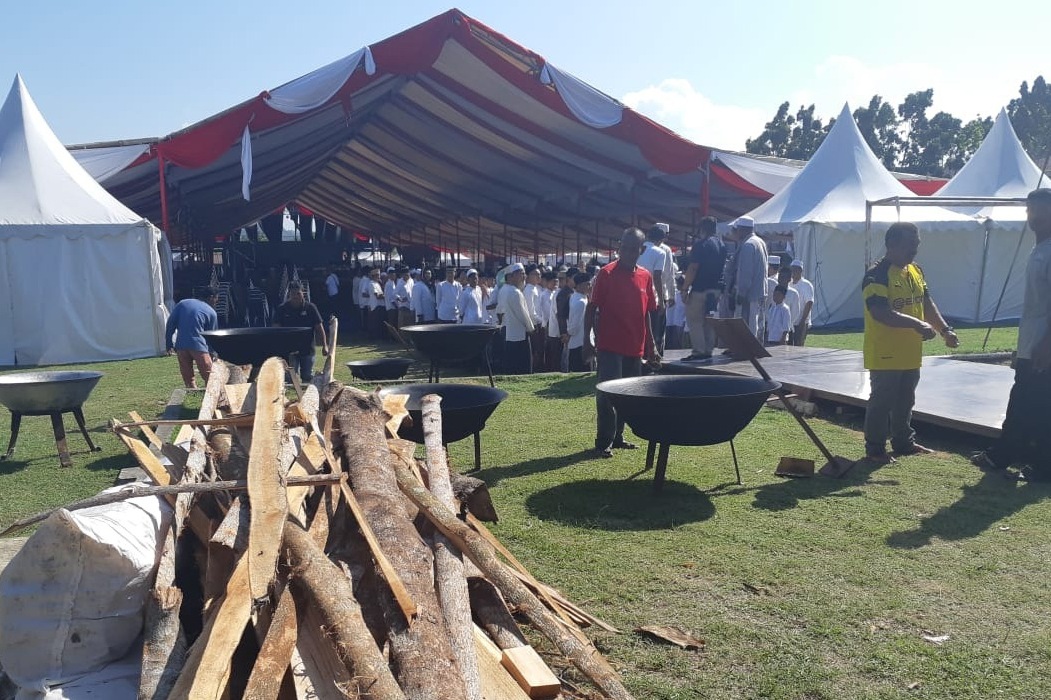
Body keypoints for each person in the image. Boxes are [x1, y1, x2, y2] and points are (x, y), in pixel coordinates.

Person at [971, 188, 1051, 481]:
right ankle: (1010, 457)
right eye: (1031, 211)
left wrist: (1046, 344)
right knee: (1025, 401)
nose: (1035, 217)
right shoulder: (1038, 248)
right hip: (1031, 343)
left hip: (1043, 346)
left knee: (1034, 405)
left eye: (1042, 211)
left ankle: (1030, 463)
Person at [862, 222, 958, 463]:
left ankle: (904, 442)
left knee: (906, 399)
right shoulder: (876, 274)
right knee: (881, 402)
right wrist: (917, 325)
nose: (915, 249)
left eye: (917, 244)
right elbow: (880, 313)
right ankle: (875, 449)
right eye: (910, 244)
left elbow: (926, 303)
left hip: (910, 352)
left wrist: (944, 329)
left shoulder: (916, 270)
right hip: (885, 353)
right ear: (892, 244)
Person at [585, 228, 660, 459]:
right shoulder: (606, 274)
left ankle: (618, 437)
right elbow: (591, 308)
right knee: (607, 395)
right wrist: (587, 341)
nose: (627, 252)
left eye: (633, 249)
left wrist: (652, 344)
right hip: (610, 346)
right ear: (619, 247)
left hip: (634, 347)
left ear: (642, 250)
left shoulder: (645, 276)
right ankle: (603, 441)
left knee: (627, 395)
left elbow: (647, 312)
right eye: (624, 247)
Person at [682, 216, 726, 359]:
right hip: (716, 289)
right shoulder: (722, 245)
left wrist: (685, 288)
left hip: (700, 288)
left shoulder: (701, 245)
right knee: (709, 320)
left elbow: (693, 268)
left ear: (702, 229)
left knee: (694, 320)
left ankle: (698, 351)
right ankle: (708, 349)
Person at [274, 281, 329, 383]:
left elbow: (319, 327)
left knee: (307, 376)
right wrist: (278, 347)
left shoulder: (310, 308)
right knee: (290, 378)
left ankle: (306, 395)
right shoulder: (282, 309)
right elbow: (276, 329)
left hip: (307, 349)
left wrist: (325, 345)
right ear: (289, 294)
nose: (296, 296)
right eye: (293, 294)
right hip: (289, 349)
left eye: (298, 293)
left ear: (303, 293)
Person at [165, 286, 219, 389]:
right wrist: (213, 353)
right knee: (209, 375)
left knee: (188, 376)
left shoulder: (182, 304)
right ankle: (213, 395)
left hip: (181, 346)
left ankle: (192, 392)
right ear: (211, 297)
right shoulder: (211, 313)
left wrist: (169, 343)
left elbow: (170, 324)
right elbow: (212, 336)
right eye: (216, 298)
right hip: (199, 346)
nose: (216, 302)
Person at [730, 216, 769, 339]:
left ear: (741, 229)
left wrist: (741, 293)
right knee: (758, 325)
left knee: (748, 325)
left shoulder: (748, 245)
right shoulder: (760, 242)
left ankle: (747, 350)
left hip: (749, 294)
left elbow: (746, 273)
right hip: (761, 291)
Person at [638, 224, 671, 354]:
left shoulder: (637, 249)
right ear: (661, 240)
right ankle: (654, 358)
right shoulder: (660, 252)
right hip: (652, 297)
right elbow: (657, 277)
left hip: (636, 295)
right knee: (656, 331)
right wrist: (662, 301)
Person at [498, 263, 535, 374]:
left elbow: (499, 312)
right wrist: (531, 328)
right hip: (519, 335)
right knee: (523, 367)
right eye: (520, 274)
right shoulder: (515, 292)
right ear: (511, 277)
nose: (523, 277)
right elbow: (523, 315)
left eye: (524, 274)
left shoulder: (505, 290)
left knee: (511, 365)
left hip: (509, 332)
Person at [567, 272, 592, 371]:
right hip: (579, 344)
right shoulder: (581, 303)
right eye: (588, 284)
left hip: (580, 342)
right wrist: (568, 334)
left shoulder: (576, 296)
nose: (590, 287)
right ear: (580, 285)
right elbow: (574, 328)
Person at [789, 260, 815, 346]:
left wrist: (802, 321)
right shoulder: (789, 283)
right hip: (790, 321)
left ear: (800, 271)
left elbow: (809, 303)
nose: (793, 272)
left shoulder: (806, 285)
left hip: (801, 321)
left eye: (795, 270)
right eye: (791, 270)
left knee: (798, 345)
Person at [665, 276, 686, 350]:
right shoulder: (676, 294)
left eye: (678, 284)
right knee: (675, 343)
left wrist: (684, 321)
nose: (677, 285)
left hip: (681, 324)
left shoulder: (686, 295)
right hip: (674, 322)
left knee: (680, 342)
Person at [365, 268, 385, 338]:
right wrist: (386, 296)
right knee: (374, 322)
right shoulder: (372, 284)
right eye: (378, 275)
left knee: (378, 322)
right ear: (375, 276)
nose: (379, 277)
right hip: (375, 305)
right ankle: (374, 337)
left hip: (379, 305)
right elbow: (377, 296)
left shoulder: (377, 283)